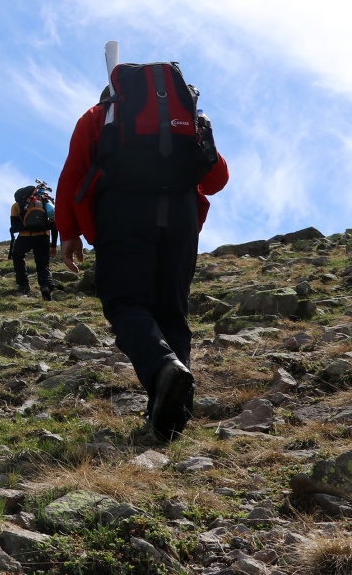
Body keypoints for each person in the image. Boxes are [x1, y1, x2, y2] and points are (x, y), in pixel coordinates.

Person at [56, 83, 228, 441]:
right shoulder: (188, 120)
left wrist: (69, 231)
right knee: (172, 312)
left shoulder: (98, 117)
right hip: (181, 214)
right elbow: (216, 179)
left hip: (123, 211)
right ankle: (170, 419)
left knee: (125, 302)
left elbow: (73, 173)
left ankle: (164, 368)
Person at [9, 182, 57, 299]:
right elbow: (55, 224)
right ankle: (45, 286)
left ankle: (23, 285)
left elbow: (14, 227)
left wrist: (25, 226)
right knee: (43, 264)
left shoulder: (16, 205)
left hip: (25, 237)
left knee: (18, 256)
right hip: (43, 236)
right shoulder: (46, 203)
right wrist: (54, 245)